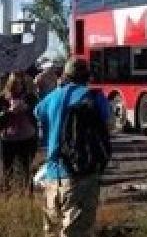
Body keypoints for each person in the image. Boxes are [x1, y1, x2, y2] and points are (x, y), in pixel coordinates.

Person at [34, 57, 111, 237]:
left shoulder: (52, 97)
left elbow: (37, 112)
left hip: (52, 176)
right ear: (88, 76)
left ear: (66, 75)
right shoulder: (94, 97)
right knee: (78, 232)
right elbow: (109, 126)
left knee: (52, 231)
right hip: (81, 176)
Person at [0, 71, 39, 190]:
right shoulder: (3, 99)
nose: (18, 86)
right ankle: (8, 194)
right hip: (8, 139)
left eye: (20, 83)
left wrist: (27, 108)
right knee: (7, 169)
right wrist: (9, 112)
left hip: (27, 137)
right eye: (15, 84)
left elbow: (38, 113)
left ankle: (28, 193)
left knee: (26, 168)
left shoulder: (30, 97)